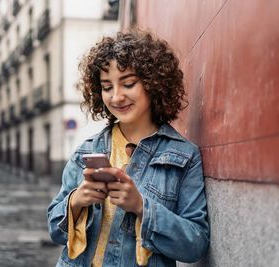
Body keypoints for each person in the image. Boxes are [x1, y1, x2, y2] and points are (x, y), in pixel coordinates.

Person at [47, 29, 209, 267]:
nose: (116, 97)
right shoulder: (86, 151)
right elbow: (55, 230)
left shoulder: (185, 156)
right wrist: (76, 202)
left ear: (154, 82)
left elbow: (195, 245)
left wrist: (141, 207)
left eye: (129, 83)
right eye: (107, 86)